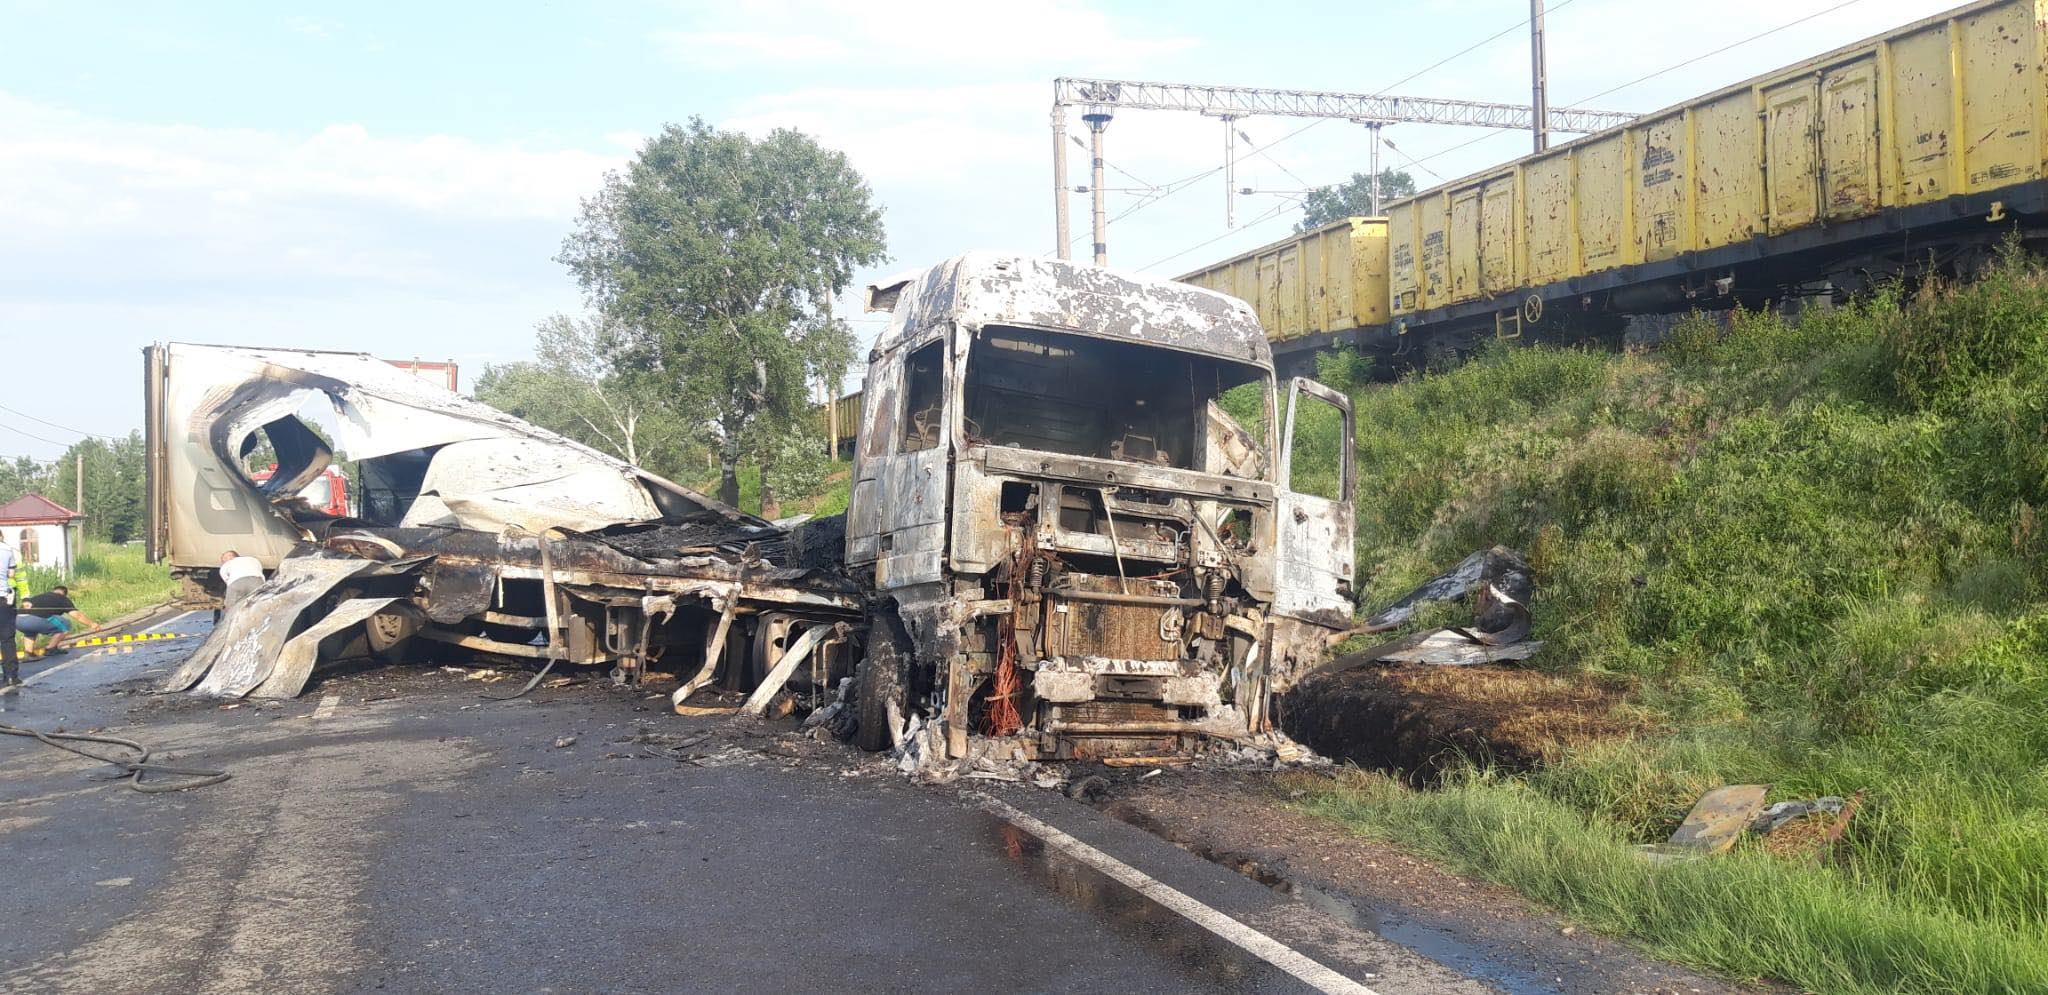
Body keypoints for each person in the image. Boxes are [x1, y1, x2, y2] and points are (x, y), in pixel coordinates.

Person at [17, 585, 98, 657]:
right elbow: (77, 615)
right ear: (64, 594)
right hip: (33, 620)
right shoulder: (62, 598)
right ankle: (51, 649)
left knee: (30, 631)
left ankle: (29, 653)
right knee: (65, 624)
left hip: (17, 620)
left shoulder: (42, 596)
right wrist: (92, 624)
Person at [217, 549, 265, 619]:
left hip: (236, 582)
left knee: (231, 610)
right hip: (257, 581)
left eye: (224, 559)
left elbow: (228, 582)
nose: (224, 561)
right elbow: (259, 570)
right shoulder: (252, 559)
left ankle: (231, 625)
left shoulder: (226, 566)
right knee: (259, 606)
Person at [0, 535, 19, 689]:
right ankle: (11, 677)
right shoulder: (7, 549)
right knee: (7, 639)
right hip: (4, 600)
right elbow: (11, 574)